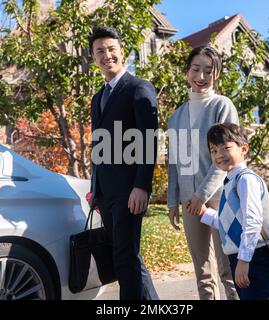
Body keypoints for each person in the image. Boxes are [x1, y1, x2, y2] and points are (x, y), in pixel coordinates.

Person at [88, 26, 159, 300]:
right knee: (127, 256)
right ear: (94, 58)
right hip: (106, 193)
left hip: (131, 191)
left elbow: (148, 140)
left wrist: (142, 186)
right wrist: (95, 189)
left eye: (111, 49)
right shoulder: (97, 98)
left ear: (122, 51)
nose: (106, 55)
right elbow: (99, 146)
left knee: (124, 257)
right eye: (99, 51)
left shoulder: (139, 88)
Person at [167, 45, 239, 300]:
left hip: (221, 198)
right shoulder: (176, 117)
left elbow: (226, 158)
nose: (201, 77)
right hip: (189, 202)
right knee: (203, 271)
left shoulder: (223, 106)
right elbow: (176, 162)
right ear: (186, 72)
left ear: (216, 74)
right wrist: (174, 200)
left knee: (228, 267)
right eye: (195, 69)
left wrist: (202, 194)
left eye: (208, 71)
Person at [200, 123, 269, 300]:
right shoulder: (230, 182)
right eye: (214, 150)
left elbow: (253, 221)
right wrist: (206, 214)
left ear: (244, 149)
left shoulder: (246, 180)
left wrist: (244, 260)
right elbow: (229, 223)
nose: (219, 155)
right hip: (241, 256)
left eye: (225, 147)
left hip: (254, 256)